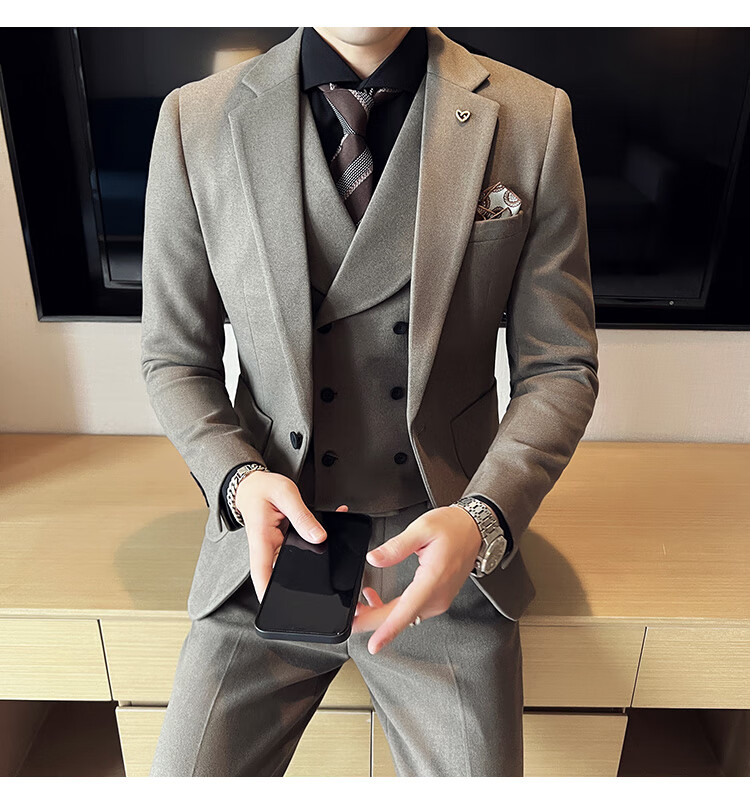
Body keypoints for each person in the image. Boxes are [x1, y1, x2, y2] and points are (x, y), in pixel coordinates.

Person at [141, 26, 599, 777]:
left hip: (445, 545)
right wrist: (236, 480)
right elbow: (174, 357)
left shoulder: (532, 117)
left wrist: (482, 518)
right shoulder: (196, 120)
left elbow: (560, 366)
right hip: (267, 548)